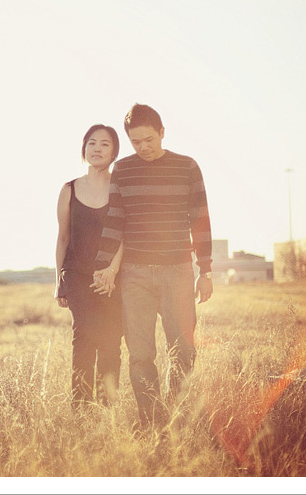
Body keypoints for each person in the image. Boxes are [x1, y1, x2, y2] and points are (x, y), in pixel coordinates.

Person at [91, 103, 214, 430]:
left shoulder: (187, 167)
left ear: (162, 132)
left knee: (184, 349)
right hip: (136, 275)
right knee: (141, 354)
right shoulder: (124, 170)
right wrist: (105, 267)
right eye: (135, 142)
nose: (143, 147)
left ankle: (177, 412)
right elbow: (115, 221)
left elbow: (200, 220)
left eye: (148, 139)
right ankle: (151, 421)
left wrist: (206, 269)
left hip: (178, 271)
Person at [54, 124, 125, 408]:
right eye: (92, 143)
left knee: (111, 343)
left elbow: (124, 236)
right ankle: (81, 410)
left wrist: (113, 271)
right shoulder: (69, 189)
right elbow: (62, 237)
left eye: (105, 144)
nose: (97, 148)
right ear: (84, 149)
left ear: (114, 152)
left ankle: (108, 408)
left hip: (113, 277)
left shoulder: (121, 189)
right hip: (77, 275)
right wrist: (58, 280)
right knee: (83, 338)